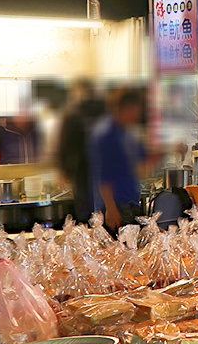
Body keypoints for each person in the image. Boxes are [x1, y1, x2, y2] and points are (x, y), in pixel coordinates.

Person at [91, 87, 146, 231]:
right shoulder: (106, 134)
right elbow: (103, 176)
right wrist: (111, 208)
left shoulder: (125, 132)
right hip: (116, 208)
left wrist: (171, 149)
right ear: (126, 108)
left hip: (128, 205)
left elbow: (144, 155)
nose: (138, 115)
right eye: (136, 109)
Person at [58, 79, 106, 221]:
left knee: (88, 212)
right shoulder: (105, 111)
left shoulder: (74, 114)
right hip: (91, 171)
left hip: (84, 170)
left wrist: (64, 170)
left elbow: (65, 145)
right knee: (98, 211)